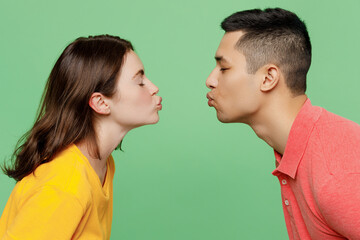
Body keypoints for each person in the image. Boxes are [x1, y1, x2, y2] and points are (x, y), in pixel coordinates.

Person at [206, 8, 360, 240]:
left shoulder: (336, 172)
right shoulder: (297, 150)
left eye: (224, 68)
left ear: (268, 78)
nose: (210, 80)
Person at [0, 35, 162, 239]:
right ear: (101, 103)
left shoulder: (102, 165)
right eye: (140, 82)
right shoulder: (64, 184)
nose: (153, 87)